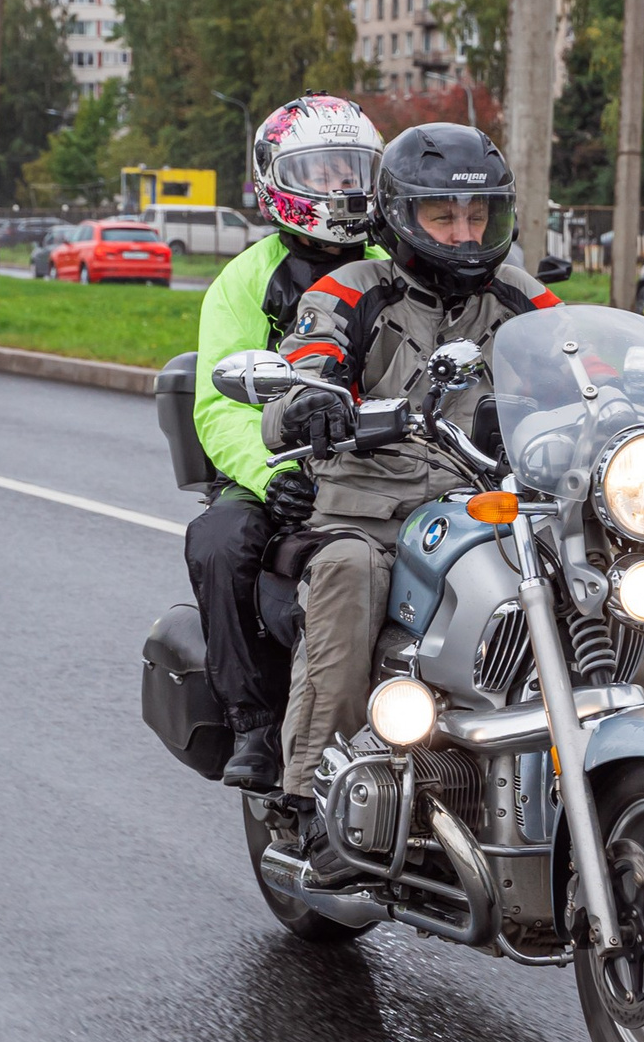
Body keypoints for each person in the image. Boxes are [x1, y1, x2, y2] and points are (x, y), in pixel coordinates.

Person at [260, 124, 565, 840]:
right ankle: (306, 795)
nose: (463, 233)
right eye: (443, 215)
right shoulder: (350, 291)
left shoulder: (520, 296)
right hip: (371, 515)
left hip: (490, 507)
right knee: (347, 570)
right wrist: (309, 397)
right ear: (401, 213)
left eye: (476, 215)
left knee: (595, 565)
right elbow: (302, 363)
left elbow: (588, 363)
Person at [185, 96, 387, 791]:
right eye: (325, 172)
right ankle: (252, 720)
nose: (344, 188)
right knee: (221, 539)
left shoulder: (395, 265)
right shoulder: (244, 281)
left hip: (383, 465)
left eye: (355, 170)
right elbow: (217, 407)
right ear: (279, 179)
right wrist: (271, 475)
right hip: (276, 465)